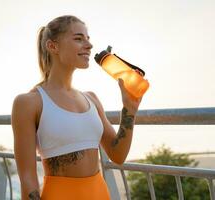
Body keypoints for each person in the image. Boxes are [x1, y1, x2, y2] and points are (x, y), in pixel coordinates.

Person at [11, 15, 143, 200]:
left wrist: (129, 110)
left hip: (100, 193)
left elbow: (118, 154)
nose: (89, 45)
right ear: (53, 46)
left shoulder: (92, 99)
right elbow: (27, 178)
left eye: (88, 39)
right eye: (78, 39)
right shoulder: (28, 103)